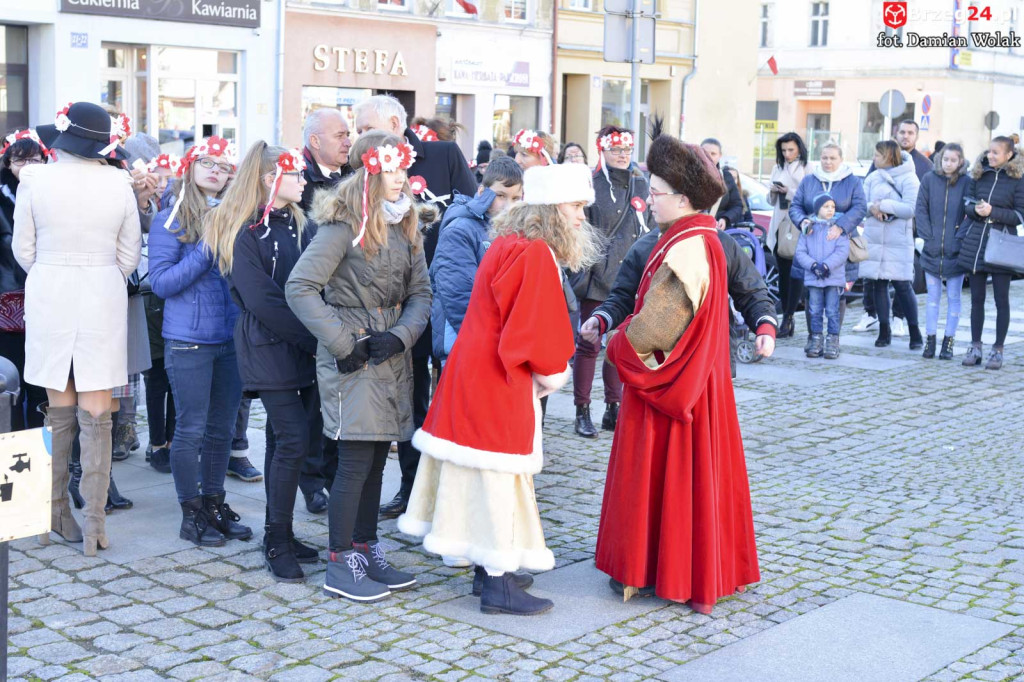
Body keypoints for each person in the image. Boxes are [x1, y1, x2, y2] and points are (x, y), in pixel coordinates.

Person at [398, 162, 599, 616]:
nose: (581, 216)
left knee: (476, 477)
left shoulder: (509, 242)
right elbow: (534, 332)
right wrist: (553, 372)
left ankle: (486, 571)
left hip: (473, 372)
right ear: (550, 209)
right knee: (499, 481)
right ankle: (498, 584)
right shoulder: (535, 254)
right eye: (575, 206)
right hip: (498, 379)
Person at [594, 131, 759, 613]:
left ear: (684, 199)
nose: (650, 200)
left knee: (665, 477)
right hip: (703, 387)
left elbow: (656, 327)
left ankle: (654, 568)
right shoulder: (691, 238)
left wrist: (617, 345)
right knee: (696, 478)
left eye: (659, 192)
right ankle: (687, 562)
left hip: (671, 388)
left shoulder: (687, 247)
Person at [286, 130, 431, 602]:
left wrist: (401, 336)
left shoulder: (405, 222)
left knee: (374, 460)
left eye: (403, 168)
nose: (400, 179)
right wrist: (343, 343)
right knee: (353, 460)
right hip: (352, 356)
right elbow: (300, 287)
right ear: (369, 169)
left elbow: (421, 294)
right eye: (390, 169)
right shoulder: (343, 225)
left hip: (391, 354)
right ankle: (339, 559)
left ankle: (365, 549)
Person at [13, 101, 142, 555]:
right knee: (97, 413)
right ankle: (94, 527)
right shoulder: (119, 183)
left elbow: (23, 250)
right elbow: (130, 255)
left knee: (58, 410)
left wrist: (53, 269)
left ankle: (53, 516)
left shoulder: (34, 179)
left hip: (50, 290)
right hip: (102, 293)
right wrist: (99, 271)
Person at [353, 95, 477, 520]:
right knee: (410, 397)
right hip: (400, 303)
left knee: (453, 393)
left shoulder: (441, 154)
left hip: (448, 297)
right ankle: (411, 488)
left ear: (392, 122)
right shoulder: (369, 165)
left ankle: (453, 488)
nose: (360, 136)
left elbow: (473, 211)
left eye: (365, 126)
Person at [206, 142, 323, 582]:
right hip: (269, 346)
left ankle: (285, 532)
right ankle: (276, 539)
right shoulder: (244, 232)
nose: (304, 180)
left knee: (288, 441)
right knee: (291, 437)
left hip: (305, 346)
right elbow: (263, 300)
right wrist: (316, 339)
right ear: (271, 178)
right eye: (296, 175)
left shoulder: (300, 225)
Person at [149, 136, 253, 547]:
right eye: (207, 162)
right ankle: (190, 513)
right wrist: (208, 247)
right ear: (190, 168)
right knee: (190, 429)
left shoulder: (235, 215)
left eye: (224, 166)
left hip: (230, 338)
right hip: (189, 338)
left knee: (222, 429)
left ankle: (214, 503)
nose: (216, 170)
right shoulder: (170, 218)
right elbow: (161, 283)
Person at [570, 126, 650, 438]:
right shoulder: (592, 183)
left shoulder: (640, 182)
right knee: (589, 345)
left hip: (630, 274)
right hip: (597, 274)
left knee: (620, 345)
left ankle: (613, 408)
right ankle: (582, 410)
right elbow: (582, 228)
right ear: (603, 150)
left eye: (627, 150)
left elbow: (650, 225)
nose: (622, 155)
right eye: (616, 150)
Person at [429, 156, 523, 365]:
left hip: (500, 343)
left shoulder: (514, 231)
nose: (509, 206)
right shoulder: (460, 230)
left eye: (516, 198)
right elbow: (459, 297)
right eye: (500, 195)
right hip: (465, 345)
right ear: (482, 192)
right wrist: (486, 344)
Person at [790, 142, 867, 350]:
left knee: (837, 294)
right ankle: (813, 337)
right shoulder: (810, 180)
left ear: (841, 159)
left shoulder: (851, 181)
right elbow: (796, 206)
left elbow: (860, 207)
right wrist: (803, 221)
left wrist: (841, 226)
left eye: (833, 158)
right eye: (824, 157)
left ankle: (833, 338)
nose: (828, 162)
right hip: (812, 242)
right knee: (812, 295)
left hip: (839, 245)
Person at [958, 136, 1024, 370]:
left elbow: (1019, 215)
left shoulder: (1018, 179)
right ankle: (975, 346)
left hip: (1002, 245)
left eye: (996, 153)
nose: (991, 156)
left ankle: (998, 349)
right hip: (977, 243)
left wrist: (992, 211)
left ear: (1009, 155)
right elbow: (967, 204)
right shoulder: (979, 174)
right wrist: (976, 210)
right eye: (990, 151)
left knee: (1001, 300)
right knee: (976, 300)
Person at [0, 129, 49, 431]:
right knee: (12, 377)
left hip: (45, 297)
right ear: (7, 163)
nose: (28, 165)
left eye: (35, 158)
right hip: (8, 301)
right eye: (20, 159)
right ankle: (15, 446)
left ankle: (44, 449)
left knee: (42, 380)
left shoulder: (54, 194)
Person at [859, 140, 922, 350]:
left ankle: (915, 331)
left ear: (888, 156)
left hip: (898, 240)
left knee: (903, 285)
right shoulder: (873, 178)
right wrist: (873, 208)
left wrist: (884, 205)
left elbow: (911, 209)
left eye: (877, 155)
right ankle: (884, 330)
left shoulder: (909, 177)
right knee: (878, 283)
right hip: (875, 237)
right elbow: (861, 204)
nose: (874, 159)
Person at [915, 143, 968, 359]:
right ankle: (930, 341)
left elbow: (971, 212)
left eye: (953, 160)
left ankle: (949, 341)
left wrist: (959, 237)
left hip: (956, 251)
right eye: (945, 159)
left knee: (954, 297)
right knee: (933, 298)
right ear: (940, 158)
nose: (948, 163)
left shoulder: (967, 182)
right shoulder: (929, 179)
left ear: (960, 162)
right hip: (932, 249)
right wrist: (928, 236)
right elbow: (921, 208)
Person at [795, 194, 849, 359]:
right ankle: (816, 338)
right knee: (815, 309)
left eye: (832, 207)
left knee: (833, 310)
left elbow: (842, 251)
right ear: (817, 208)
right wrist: (813, 266)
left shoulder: (839, 228)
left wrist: (826, 265)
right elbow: (800, 251)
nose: (830, 210)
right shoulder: (808, 228)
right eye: (826, 206)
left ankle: (832, 339)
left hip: (833, 277)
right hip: (814, 277)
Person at [768, 132, 809, 339]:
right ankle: (785, 316)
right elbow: (770, 201)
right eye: (783, 150)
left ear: (799, 148)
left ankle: (789, 317)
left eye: (791, 149)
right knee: (783, 276)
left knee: (795, 275)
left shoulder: (806, 169)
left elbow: (809, 199)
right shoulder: (777, 167)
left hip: (796, 226)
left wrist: (789, 191)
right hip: (778, 226)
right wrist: (774, 190)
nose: (787, 154)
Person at [300, 108, 353, 211]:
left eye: (347, 135)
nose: (348, 143)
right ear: (315, 141)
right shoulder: (295, 181)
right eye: (339, 136)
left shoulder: (359, 172)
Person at [699, 138, 744, 229]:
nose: (709, 156)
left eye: (713, 154)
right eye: (705, 152)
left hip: (717, 230)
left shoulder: (726, 177)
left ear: (720, 156)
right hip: (692, 229)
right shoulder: (688, 175)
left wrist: (725, 219)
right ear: (699, 153)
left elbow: (737, 205)